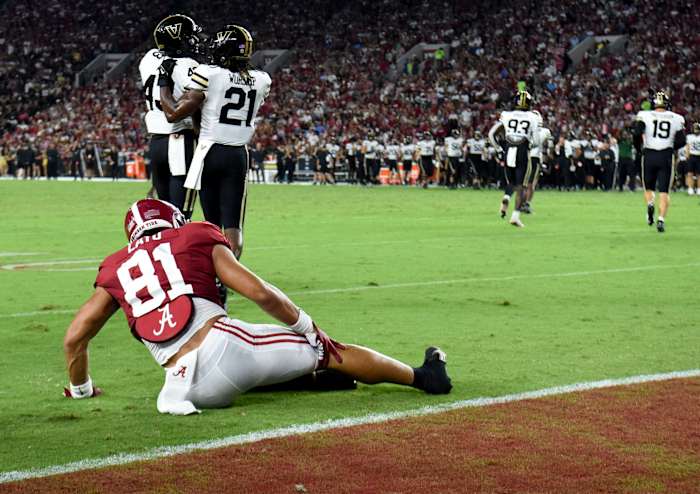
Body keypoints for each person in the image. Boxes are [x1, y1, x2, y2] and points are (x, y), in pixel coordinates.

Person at [62, 199, 452, 414]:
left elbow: (74, 339)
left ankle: (309, 379)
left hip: (181, 384)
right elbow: (261, 293)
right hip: (223, 348)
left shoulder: (115, 267)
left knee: (257, 354)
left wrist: (82, 390)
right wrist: (308, 327)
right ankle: (424, 378)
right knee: (330, 351)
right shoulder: (194, 235)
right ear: (173, 221)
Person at [160, 23, 271, 260]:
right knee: (233, 225)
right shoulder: (262, 80)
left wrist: (163, 84)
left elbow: (173, 113)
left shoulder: (209, 74)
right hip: (238, 154)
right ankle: (227, 278)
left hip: (209, 151)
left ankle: (212, 275)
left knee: (211, 223)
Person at [139, 14, 201, 212]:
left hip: (156, 142)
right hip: (180, 140)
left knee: (165, 214)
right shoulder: (189, 65)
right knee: (181, 215)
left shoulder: (148, 59)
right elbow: (197, 104)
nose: (193, 41)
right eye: (189, 37)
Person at [633, 91, 686, 233]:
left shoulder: (644, 115)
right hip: (666, 156)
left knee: (648, 188)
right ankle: (661, 219)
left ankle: (650, 203)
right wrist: (670, 147)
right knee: (664, 191)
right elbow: (682, 141)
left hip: (649, 154)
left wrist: (639, 149)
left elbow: (636, 133)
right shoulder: (676, 118)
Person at [488, 90, 541, 227]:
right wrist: (528, 144)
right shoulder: (532, 117)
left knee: (511, 182)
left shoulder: (506, 115)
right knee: (522, 186)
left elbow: (491, 134)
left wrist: (499, 149)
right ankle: (515, 216)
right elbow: (535, 140)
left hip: (508, 149)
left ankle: (506, 198)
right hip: (522, 151)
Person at [685, 123, 700, 195]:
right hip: (692, 156)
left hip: (699, 156)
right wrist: (687, 155)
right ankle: (690, 188)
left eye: (697, 129)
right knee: (690, 173)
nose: (696, 130)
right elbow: (688, 146)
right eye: (695, 128)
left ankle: (698, 189)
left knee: (699, 174)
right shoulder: (689, 137)